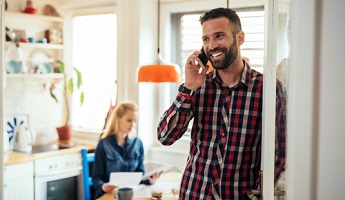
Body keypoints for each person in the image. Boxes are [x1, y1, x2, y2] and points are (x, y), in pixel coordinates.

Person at [157, 7, 286, 199]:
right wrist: (188, 88)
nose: (212, 45)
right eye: (206, 39)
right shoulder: (198, 87)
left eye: (219, 36)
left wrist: (258, 195)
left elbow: (280, 152)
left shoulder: (268, 88)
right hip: (194, 193)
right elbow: (165, 137)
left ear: (239, 38)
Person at [92, 102, 161, 199]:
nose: (132, 124)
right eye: (129, 120)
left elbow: (140, 175)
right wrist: (103, 186)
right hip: (110, 195)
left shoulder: (138, 143)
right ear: (118, 119)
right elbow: (96, 177)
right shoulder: (103, 144)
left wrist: (149, 180)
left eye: (135, 121)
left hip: (131, 195)